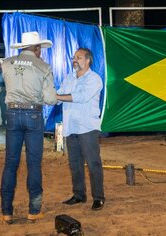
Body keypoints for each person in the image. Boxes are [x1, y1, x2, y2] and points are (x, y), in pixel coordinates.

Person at [0, 31, 57, 224]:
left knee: (10, 164)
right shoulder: (43, 66)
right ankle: (33, 210)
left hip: (12, 113)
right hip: (33, 115)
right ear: (38, 48)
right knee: (34, 164)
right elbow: (50, 99)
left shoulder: (7, 63)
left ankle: (6, 212)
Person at [56, 48, 105, 211]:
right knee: (75, 164)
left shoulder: (94, 79)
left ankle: (98, 197)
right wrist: (49, 96)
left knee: (93, 164)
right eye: (73, 57)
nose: (74, 60)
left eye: (78, 57)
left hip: (87, 127)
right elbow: (59, 95)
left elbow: (81, 97)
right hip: (71, 127)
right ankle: (79, 194)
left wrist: (57, 97)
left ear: (88, 60)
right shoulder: (69, 77)